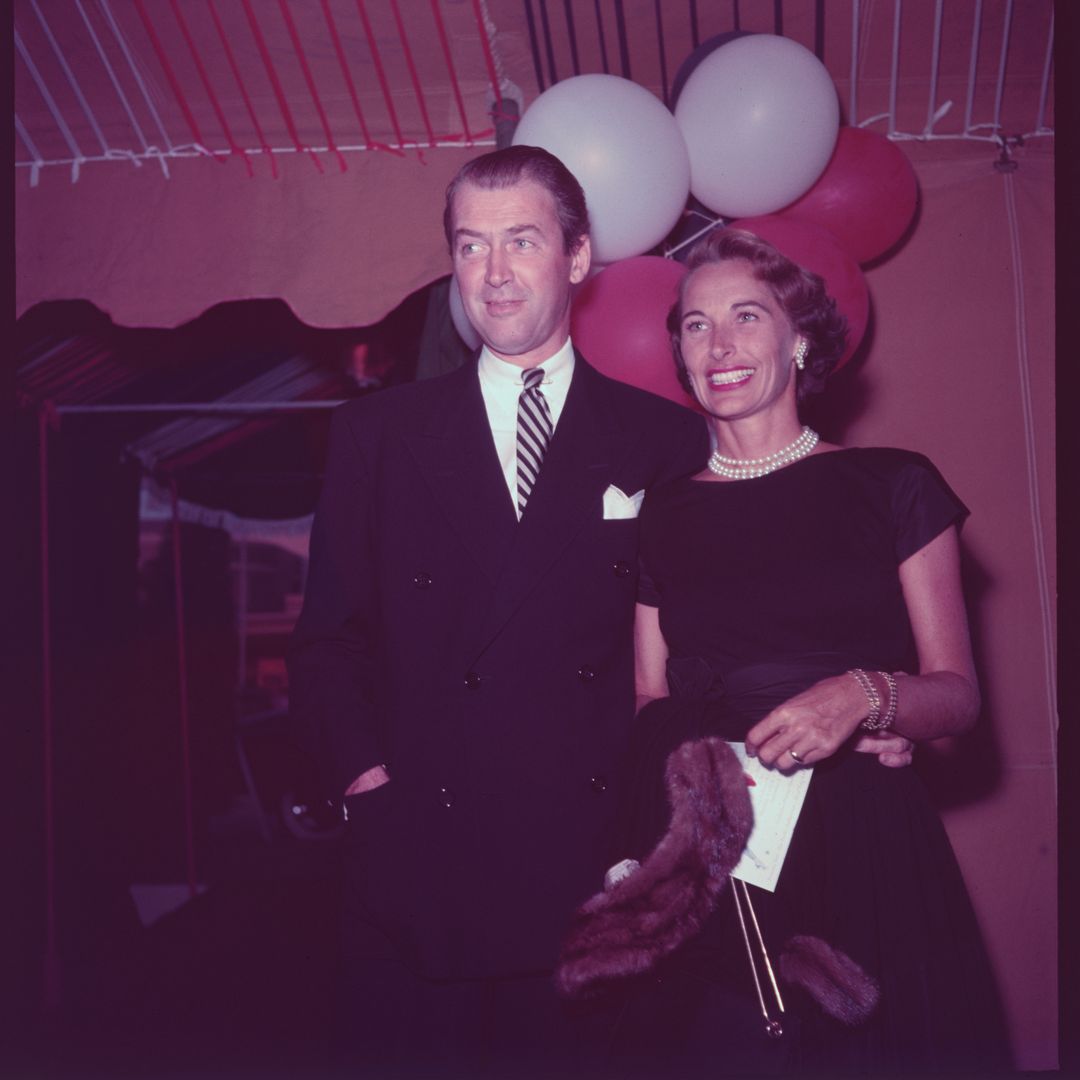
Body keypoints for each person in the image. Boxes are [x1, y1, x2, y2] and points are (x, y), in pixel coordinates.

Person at [286, 145, 712, 1076]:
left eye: (521, 241)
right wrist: (369, 789)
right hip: (418, 871)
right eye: (472, 246)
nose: (495, 272)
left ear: (579, 257)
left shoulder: (664, 438)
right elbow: (327, 642)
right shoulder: (377, 435)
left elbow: (707, 644)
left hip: (598, 867)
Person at [559, 227, 1011, 1076]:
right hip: (709, 837)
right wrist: (701, 799)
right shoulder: (659, 514)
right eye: (696, 325)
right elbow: (647, 696)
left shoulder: (894, 483)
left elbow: (957, 696)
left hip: (859, 839)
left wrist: (865, 697)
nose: (720, 346)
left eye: (746, 317)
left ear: (798, 339)